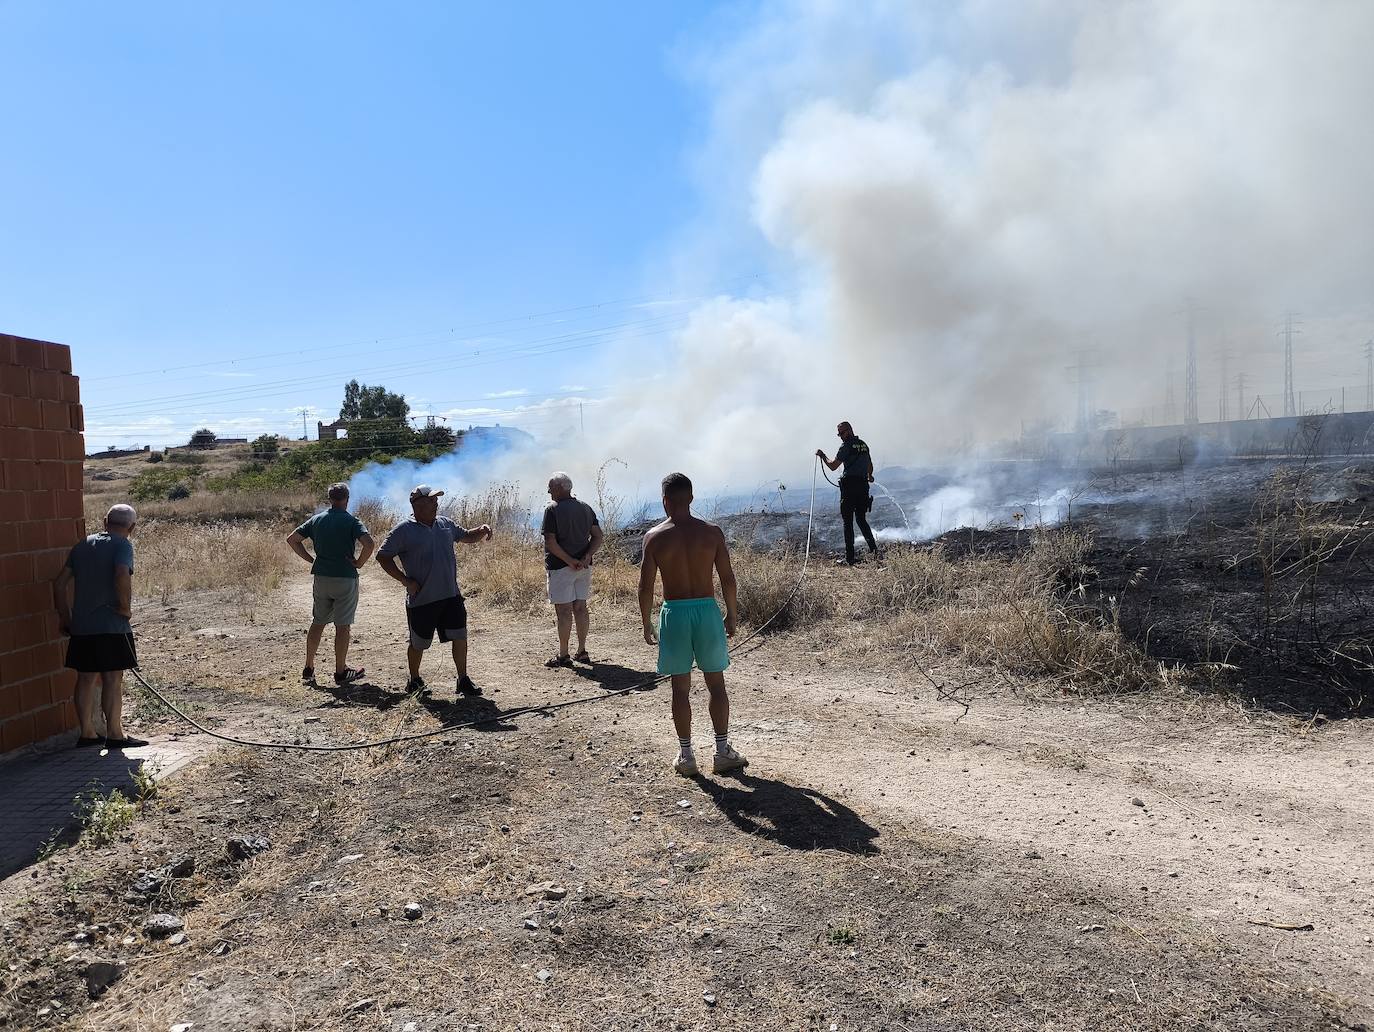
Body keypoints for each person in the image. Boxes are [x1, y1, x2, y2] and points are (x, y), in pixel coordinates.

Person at [638, 472, 748, 777]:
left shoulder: (654, 537)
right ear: (691, 498)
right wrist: (732, 614)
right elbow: (728, 578)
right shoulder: (712, 533)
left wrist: (646, 622)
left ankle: (686, 756)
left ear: (665, 502)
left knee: (680, 688)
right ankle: (722, 751)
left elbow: (645, 587)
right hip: (707, 611)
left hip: (674, 613)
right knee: (716, 683)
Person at [376, 484, 492, 696]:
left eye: (435, 500)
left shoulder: (444, 524)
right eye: (430, 501)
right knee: (419, 643)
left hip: (451, 595)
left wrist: (481, 530)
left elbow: (465, 536)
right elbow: (382, 557)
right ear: (417, 505)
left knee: (460, 636)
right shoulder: (403, 530)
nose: (435, 503)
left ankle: (463, 680)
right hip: (422, 599)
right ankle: (414, 680)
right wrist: (405, 580)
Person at [52, 503, 147, 749]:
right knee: (113, 678)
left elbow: (60, 584)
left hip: (82, 626)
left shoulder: (82, 545)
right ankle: (115, 734)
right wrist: (125, 608)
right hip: (111, 626)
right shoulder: (123, 545)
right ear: (132, 527)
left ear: (105, 521)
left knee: (85, 678)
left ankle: (87, 734)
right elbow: (121, 574)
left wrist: (65, 617)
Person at [285, 482, 375, 686]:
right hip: (345, 577)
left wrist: (311, 560)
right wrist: (359, 563)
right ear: (347, 499)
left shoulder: (317, 520)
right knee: (342, 626)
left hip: (321, 578)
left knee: (318, 622)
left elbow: (292, 539)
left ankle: (309, 668)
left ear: (330, 499)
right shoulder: (352, 521)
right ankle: (340, 671)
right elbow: (369, 544)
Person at [541, 472, 604, 668]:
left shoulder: (552, 510)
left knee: (563, 611)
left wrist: (569, 561)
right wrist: (585, 558)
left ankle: (563, 654)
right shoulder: (586, 508)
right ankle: (582, 651)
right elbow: (598, 536)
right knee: (581, 607)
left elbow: (550, 542)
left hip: (561, 568)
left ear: (559, 489)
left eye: (551, 488)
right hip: (584, 568)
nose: (549, 492)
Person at [816, 420, 879, 565]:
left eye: (841, 433)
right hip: (863, 487)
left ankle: (850, 559)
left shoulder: (846, 446)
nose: (840, 436)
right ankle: (874, 553)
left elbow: (833, 466)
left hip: (849, 487)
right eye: (839, 434)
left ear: (849, 430)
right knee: (861, 520)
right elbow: (869, 464)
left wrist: (823, 455)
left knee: (848, 522)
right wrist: (869, 476)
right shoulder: (863, 444)